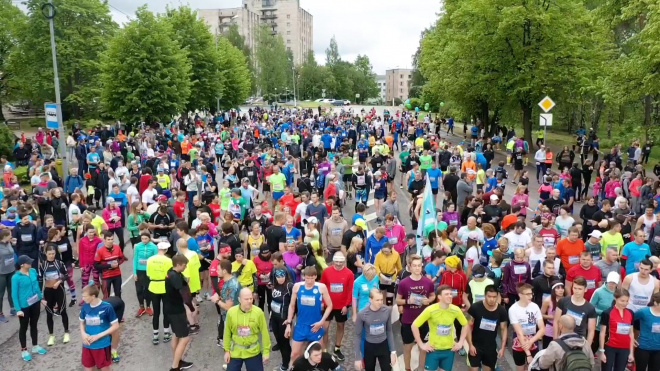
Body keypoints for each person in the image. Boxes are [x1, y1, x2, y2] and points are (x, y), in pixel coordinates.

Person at [284, 266, 333, 369]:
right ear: (303, 277)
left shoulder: (321, 287)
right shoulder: (297, 287)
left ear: (316, 277)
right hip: (301, 326)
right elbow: (292, 306)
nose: (310, 280)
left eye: (312, 278)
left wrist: (321, 322)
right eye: (307, 278)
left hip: (315, 327)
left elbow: (330, 306)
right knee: (294, 354)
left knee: (317, 356)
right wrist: (289, 323)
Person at [412, 284, 468, 371]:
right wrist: (421, 345)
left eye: (450, 294)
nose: (450, 296)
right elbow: (414, 325)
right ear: (439, 297)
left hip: (449, 350)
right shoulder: (430, 310)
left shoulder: (456, 310)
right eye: (446, 294)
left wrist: (460, 343)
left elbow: (465, 325)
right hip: (433, 350)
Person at [395, 254, 434, 371]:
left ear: (422, 266)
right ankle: (407, 368)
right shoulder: (404, 283)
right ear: (410, 267)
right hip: (408, 320)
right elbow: (397, 300)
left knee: (424, 347)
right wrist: (408, 301)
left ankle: (421, 368)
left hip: (425, 320)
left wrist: (429, 300)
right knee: (408, 347)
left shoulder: (428, 282)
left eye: (419, 266)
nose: (417, 268)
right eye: (414, 266)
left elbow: (433, 295)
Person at [223, 287, 270, 371]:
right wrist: (226, 351)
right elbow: (227, 332)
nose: (249, 301)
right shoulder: (231, 312)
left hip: (253, 351)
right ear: (239, 299)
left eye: (251, 298)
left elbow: (264, 333)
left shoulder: (258, 312)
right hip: (236, 350)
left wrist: (266, 352)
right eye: (246, 299)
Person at [12, 255, 47, 361]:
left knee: (34, 324)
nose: (31, 263)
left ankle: (35, 346)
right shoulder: (16, 277)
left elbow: (36, 286)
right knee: (23, 327)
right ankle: (24, 350)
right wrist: (18, 309)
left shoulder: (32, 271)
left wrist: (41, 298)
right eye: (28, 262)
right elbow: (14, 294)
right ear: (22, 264)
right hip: (24, 306)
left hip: (35, 302)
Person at [320, 252, 354, 361]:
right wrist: (322, 302)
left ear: (344, 262)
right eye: (336, 262)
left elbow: (350, 290)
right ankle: (324, 350)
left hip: (341, 306)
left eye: (341, 262)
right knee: (325, 328)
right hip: (327, 304)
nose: (338, 264)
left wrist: (346, 305)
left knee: (340, 326)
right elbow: (322, 286)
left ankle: (337, 349)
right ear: (333, 261)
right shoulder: (326, 271)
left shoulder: (349, 273)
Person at [163, 254, 195, 371]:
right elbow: (183, 294)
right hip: (176, 311)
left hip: (169, 309)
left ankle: (178, 361)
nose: (185, 267)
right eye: (184, 265)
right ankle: (175, 367)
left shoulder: (171, 272)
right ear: (178, 264)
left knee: (176, 335)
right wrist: (191, 307)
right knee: (185, 338)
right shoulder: (175, 277)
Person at [466, 284, 508, 371]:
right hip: (476, 344)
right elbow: (468, 327)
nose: (492, 299)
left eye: (494, 297)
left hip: (490, 347)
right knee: (473, 369)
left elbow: (504, 329)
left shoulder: (501, 310)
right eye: (489, 296)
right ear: (485, 295)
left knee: (487, 369)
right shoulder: (475, 307)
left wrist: (503, 347)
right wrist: (470, 345)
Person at [79, 285, 120, 371]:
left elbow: (116, 326)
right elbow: (81, 323)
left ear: (93, 296)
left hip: (102, 345)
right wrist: (83, 334)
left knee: (104, 368)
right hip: (87, 345)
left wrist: (98, 336)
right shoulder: (85, 307)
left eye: (85, 296)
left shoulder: (107, 307)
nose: (83, 298)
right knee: (88, 368)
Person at [354, 289, 396, 371]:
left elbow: (389, 331)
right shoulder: (362, 314)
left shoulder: (387, 310)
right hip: (370, 347)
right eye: (377, 300)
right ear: (370, 299)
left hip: (383, 346)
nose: (380, 302)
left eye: (381, 299)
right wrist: (357, 358)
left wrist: (393, 352)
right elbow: (357, 336)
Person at [507, 283, 544, 371]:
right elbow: (519, 333)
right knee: (520, 367)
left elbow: (542, 329)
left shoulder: (535, 306)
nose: (530, 296)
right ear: (520, 295)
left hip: (533, 339)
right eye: (527, 294)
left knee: (531, 367)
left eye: (531, 294)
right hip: (519, 341)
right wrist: (528, 354)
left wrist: (531, 341)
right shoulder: (513, 309)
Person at [38, 245, 70, 346]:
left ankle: (66, 333)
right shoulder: (42, 265)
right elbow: (39, 280)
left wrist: (59, 281)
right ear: (46, 254)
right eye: (49, 254)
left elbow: (66, 275)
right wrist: (40, 296)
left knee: (63, 311)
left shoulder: (59, 263)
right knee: (49, 313)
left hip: (59, 290)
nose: (51, 256)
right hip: (48, 291)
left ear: (55, 254)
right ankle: (51, 336)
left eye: (53, 254)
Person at [554, 276, 597, 348]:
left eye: (580, 289)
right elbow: (556, 321)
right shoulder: (563, 301)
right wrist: (555, 339)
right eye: (575, 288)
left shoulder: (590, 308)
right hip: (563, 339)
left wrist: (587, 347)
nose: (577, 291)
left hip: (579, 341)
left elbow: (591, 331)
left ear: (585, 289)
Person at [598, 288, 635, 371]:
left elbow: (631, 333)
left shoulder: (630, 313)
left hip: (624, 348)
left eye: (627, 301)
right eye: (622, 301)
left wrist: (631, 353)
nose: (625, 303)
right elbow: (602, 333)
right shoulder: (607, 313)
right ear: (615, 298)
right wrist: (601, 351)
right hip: (610, 347)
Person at [146, 241, 173, 345]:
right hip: (165, 287)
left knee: (156, 312)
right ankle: (166, 333)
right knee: (166, 311)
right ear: (166, 250)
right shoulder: (168, 260)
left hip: (153, 286)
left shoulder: (150, 259)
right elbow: (169, 275)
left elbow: (148, 274)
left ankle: (155, 335)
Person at [270, 267, 295, 371]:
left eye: (282, 276)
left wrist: (290, 320)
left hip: (284, 319)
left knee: (284, 343)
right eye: (278, 276)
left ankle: (287, 365)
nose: (280, 278)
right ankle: (286, 362)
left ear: (286, 275)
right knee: (279, 341)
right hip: (274, 317)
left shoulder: (290, 286)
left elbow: (294, 305)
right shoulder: (275, 285)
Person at [94, 230, 126, 299]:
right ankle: (107, 309)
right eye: (108, 239)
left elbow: (122, 258)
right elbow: (96, 265)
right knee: (106, 296)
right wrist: (109, 266)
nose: (110, 241)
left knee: (118, 294)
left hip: (117, 275)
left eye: (112, 239)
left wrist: (118, 263)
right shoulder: (100, 251)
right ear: (104, 240)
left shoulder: (117, 247)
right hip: (106, 277)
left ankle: (118, 309)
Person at [633, 292, 660, 371]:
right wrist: (631, 337)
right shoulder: (643, 312)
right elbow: (629, 321)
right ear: (655, 302)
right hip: (643, 347)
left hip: (658, 349)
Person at [133, 232, 157, 318]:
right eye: (142, 239)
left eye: (145, 239)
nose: (144, 241)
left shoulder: (154, 247)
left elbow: (155, 260)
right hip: (139, 270)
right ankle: (141, 307)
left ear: (149, 239)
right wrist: (134, 273)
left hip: (149, 271)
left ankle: (148, 307)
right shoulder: (138, 246)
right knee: (139, 290)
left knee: (148, 290)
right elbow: (135, 259)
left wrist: (153, 273)